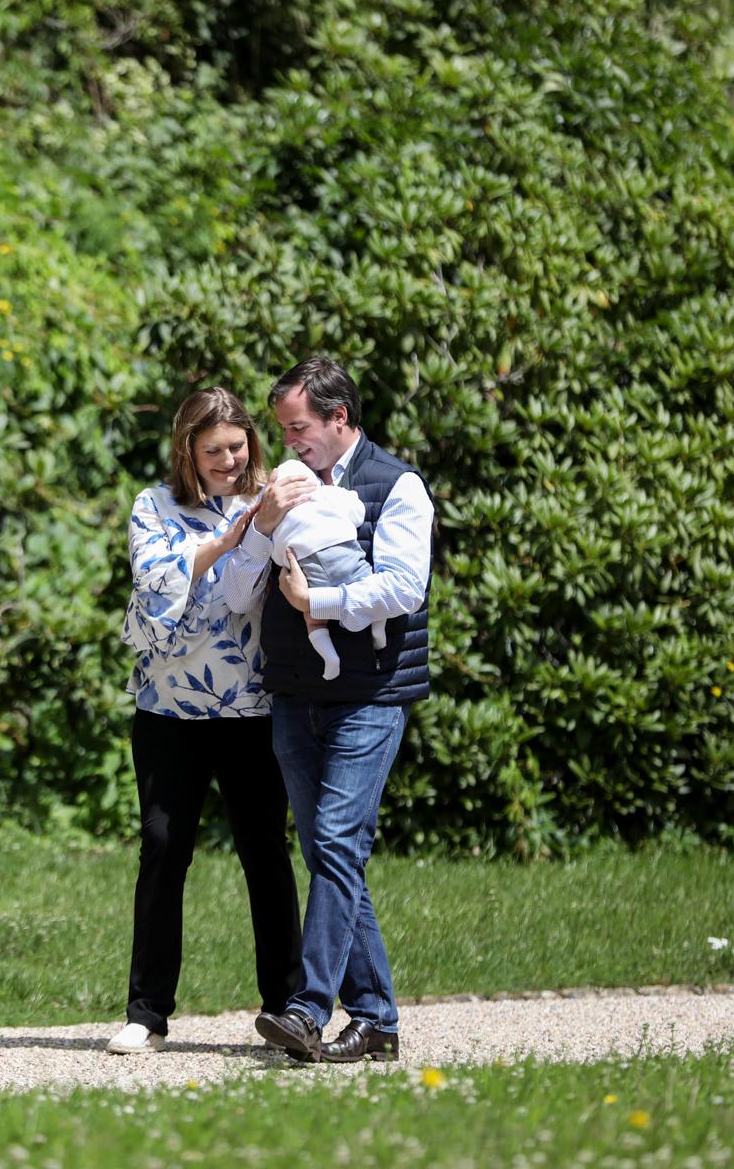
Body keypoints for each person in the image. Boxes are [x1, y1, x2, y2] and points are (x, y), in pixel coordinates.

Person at [243, 355, 434, 1064]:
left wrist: (316, 603)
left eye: (299, 427)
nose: (289, 440)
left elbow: (400, 590)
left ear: (338, 419)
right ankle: (378, 1020)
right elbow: (247, 578)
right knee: (330, 851)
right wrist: (262, 521)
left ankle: (305, 1008)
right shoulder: (286, 489)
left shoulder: (398, 487)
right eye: (284, 428)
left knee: (337, 843)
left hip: (370, 696)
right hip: (296, 694)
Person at [108, 386, 305, 1055]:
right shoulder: (153, 506)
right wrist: (221, 544)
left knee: (266, 856)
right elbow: (152, 579)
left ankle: (286, 1010)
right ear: (187, 451)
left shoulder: (268, 497)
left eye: (237, 446)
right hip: (170, 711)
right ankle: (147, 1014)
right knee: (164, 852)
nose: (228, 459)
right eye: (213, 449)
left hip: (253, 710)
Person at [262, 458, 386, 680]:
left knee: (313, 618)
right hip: (344, 555)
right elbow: (356, 511)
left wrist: (286, 562)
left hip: (311, 571)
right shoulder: (323, 494)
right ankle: (378, 627)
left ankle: (330, 658)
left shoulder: (278, 521)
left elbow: (278, 555)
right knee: (372, 587)